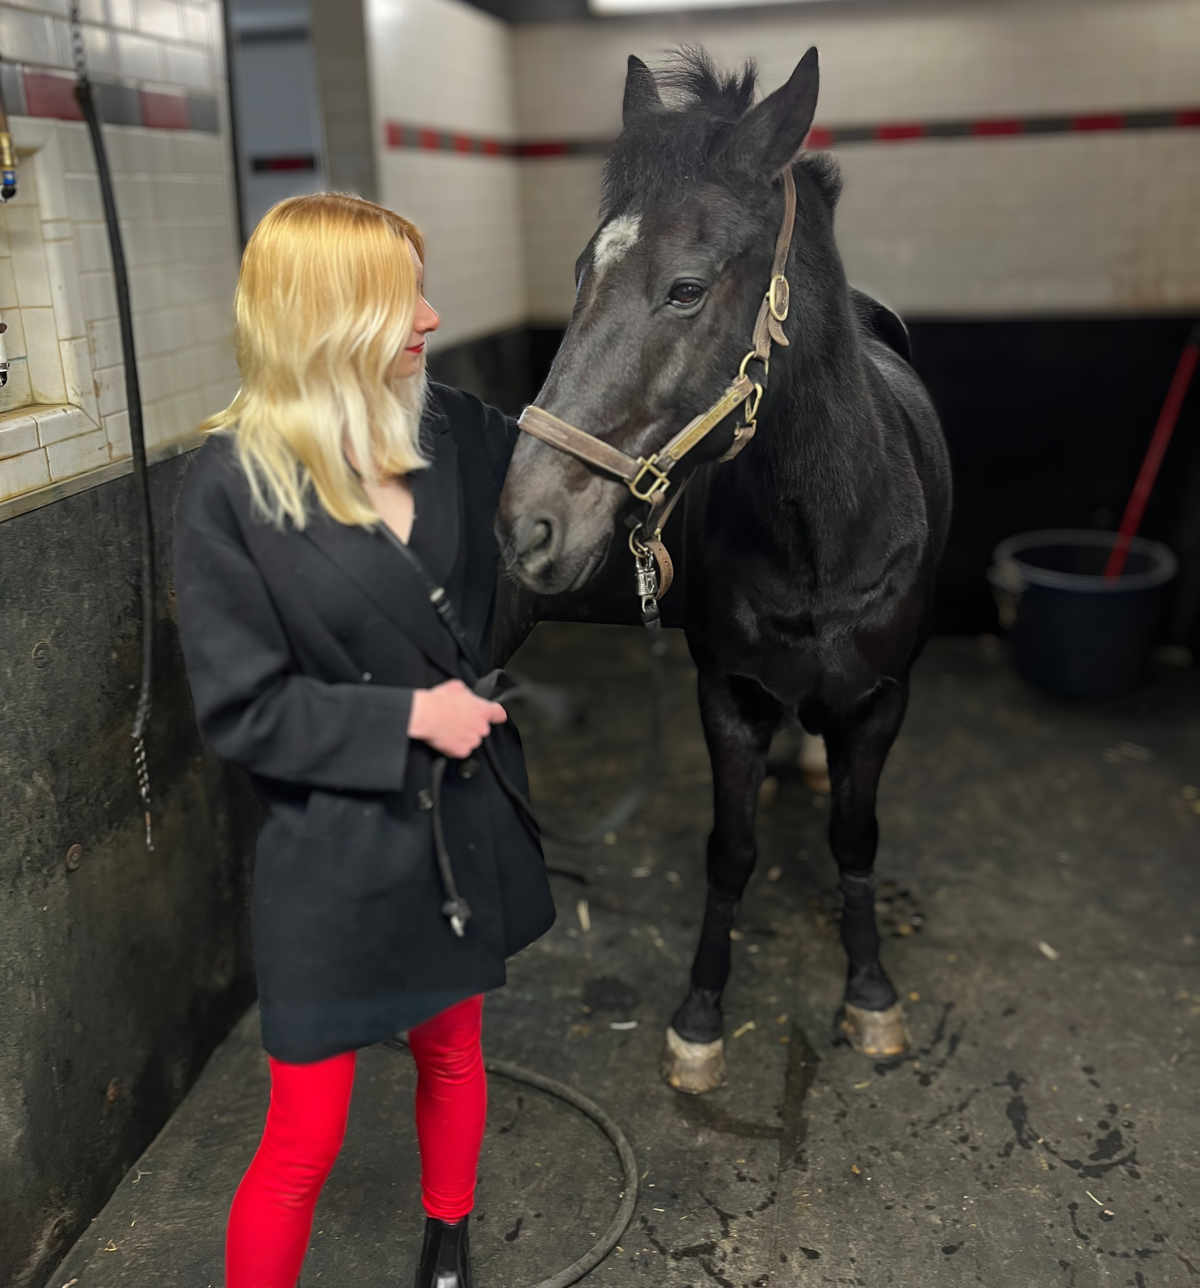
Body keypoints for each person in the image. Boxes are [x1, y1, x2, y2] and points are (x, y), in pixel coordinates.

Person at [173, 192, 555, 1288]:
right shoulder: (230, 489)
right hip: (333, 849)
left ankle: (448, 1241)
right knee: (302, 1136)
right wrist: (410, 717)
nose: (433, 317)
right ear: (326, 316)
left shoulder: (452, 434)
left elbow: (582, 468)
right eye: (403, 299)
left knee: (453, 1050)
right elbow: (242, 709)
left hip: (458, 826)